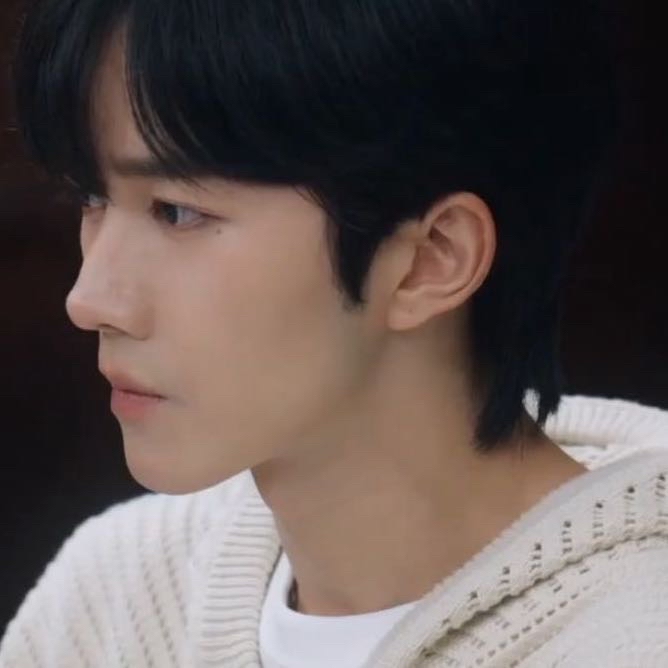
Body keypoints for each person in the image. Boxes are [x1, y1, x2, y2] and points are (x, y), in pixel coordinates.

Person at [2, 0, 667, 666]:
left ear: (432, 259)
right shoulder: (114, 599)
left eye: (176, 212)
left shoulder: (632, 638)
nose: (89, 300)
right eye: (92, 198)